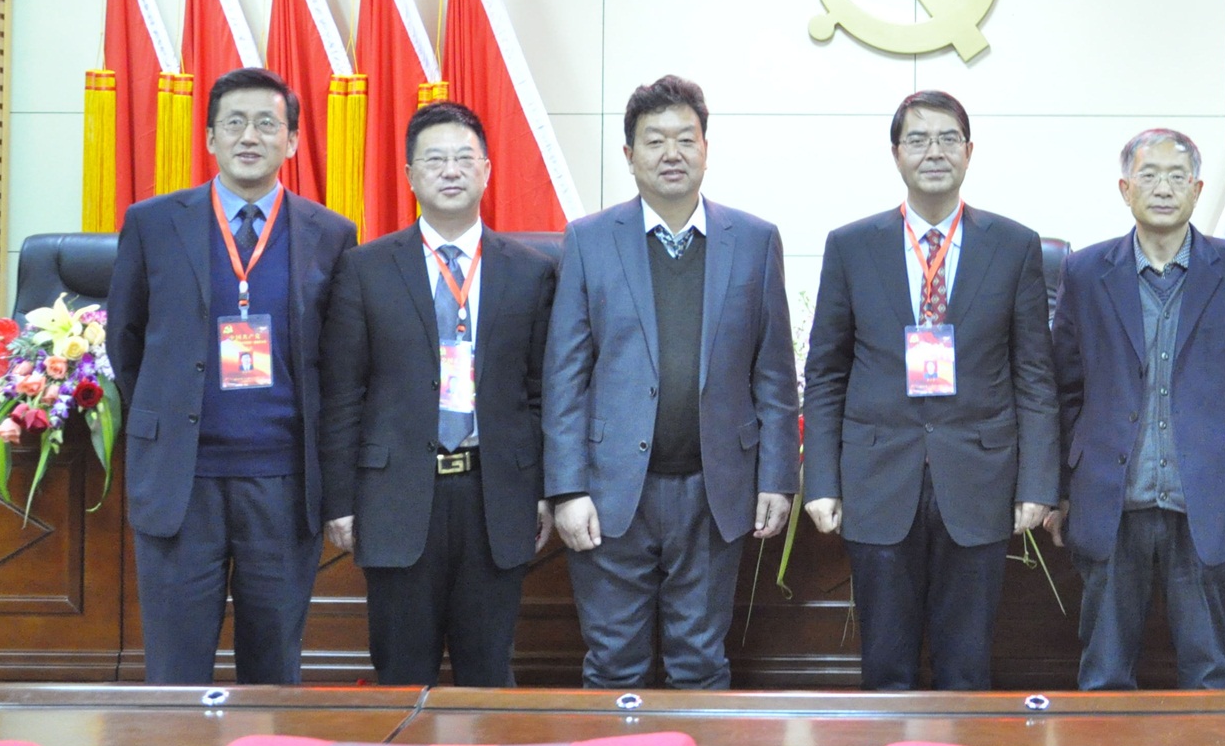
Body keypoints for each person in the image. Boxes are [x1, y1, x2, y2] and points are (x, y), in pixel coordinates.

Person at [543, 76, 798, 689]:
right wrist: (567, 488)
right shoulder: (588, 239)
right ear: (629, 155)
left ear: (706, 149)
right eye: (654, 141)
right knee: (613, 664)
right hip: (610, 494)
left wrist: (777, 477)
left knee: (701, 663)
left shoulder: (754, 240)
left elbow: (774, 372)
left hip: (715, 493)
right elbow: (565, 375)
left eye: (686, 138)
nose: (671, 153)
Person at [802, 90, 1060, 690]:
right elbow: (826, 373)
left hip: (979, 478)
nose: (934, 152)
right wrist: (822, 481)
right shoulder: (851, 245)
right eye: (917, 140)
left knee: (966, 668)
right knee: (885, 666)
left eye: (948, 139)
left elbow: (1034, 376)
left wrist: (1037, 483)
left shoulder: (1014, 245)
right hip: (877, 478)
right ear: (896, 154)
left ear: (969, 152)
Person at [107, 67, 357, 684]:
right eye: (235, 122)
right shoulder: (152, 223)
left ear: (291, 141)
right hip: (181, 480)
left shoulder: (331, 234)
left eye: (268, 124)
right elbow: (125, 340)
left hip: (282, 482)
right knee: (175, 670)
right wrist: (168, 422)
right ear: (210, 137)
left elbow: (339, 362)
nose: (250, 136)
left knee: (273, 669)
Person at [318, 102, 557, 687]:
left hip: (494, 495)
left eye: (463, 158)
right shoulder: (365, 269)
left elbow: (542, 393)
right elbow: (344, 395)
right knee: (401, 677)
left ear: (486, 170)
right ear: (409, 175)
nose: (450, 170)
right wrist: (340, 500)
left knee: (488, 677)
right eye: (434, 159)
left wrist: (542, 489)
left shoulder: (530, 271)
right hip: (396, 496)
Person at [1048, 129, 1225, 689]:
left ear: (1197, 190)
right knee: (1104, 672)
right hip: (1109, 498)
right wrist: (1057, 489)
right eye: (1149, 175)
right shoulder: (1084, 271)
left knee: (1209, 671)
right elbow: (1063, 390)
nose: (1163, 188)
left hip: (1205, 497)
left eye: (1178, 177)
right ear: (1125, 188)